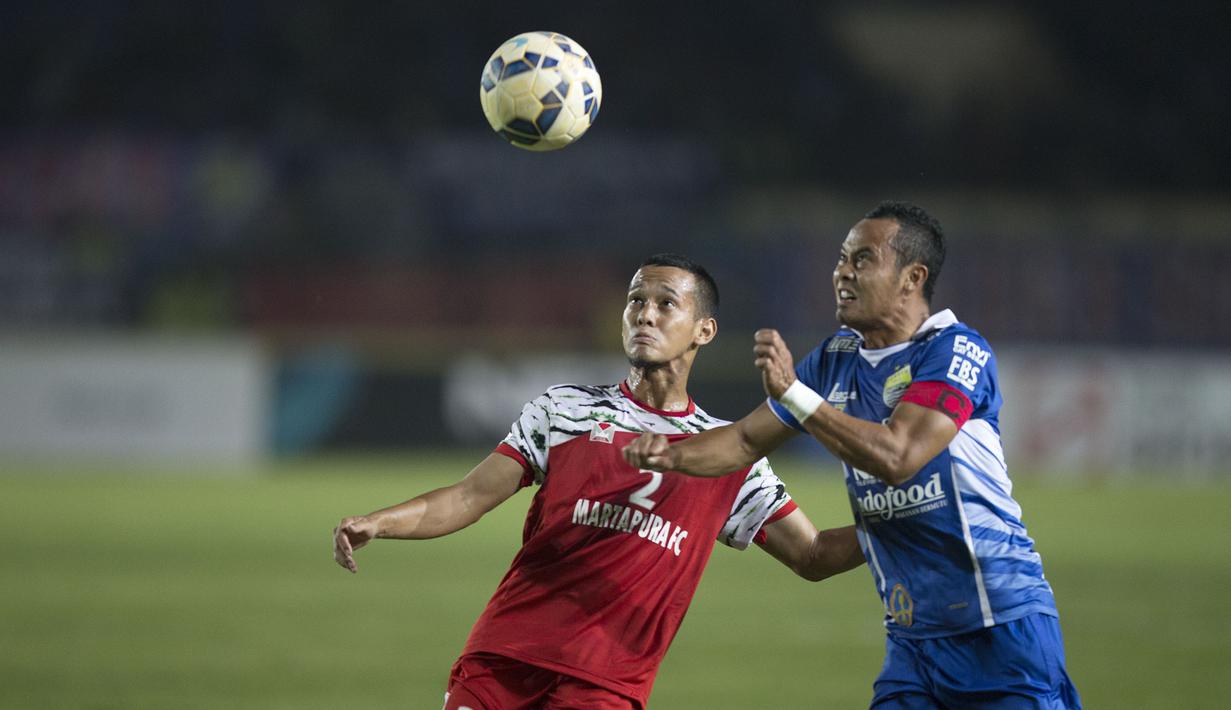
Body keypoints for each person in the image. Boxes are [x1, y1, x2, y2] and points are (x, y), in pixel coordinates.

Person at [333, 253, 863, 710]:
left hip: (605, 685)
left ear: (704, 330)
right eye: (636, 301)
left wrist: (894, 521)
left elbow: (812, 554)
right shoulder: (565, 409)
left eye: (666, 304)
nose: (645, 314)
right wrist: (380, 522)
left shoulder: (730, 453)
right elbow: (469, 496)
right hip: (503, 658)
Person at [623, 203, 1082, 709]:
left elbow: (899, 455)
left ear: (912, 277)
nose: (842, 272)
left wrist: (798, 396)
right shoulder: (836, 359)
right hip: (912, 639)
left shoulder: (954, 351)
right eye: (842, 259)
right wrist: (668, 454)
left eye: (863, 259)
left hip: (998, 625)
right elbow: (744, 442)